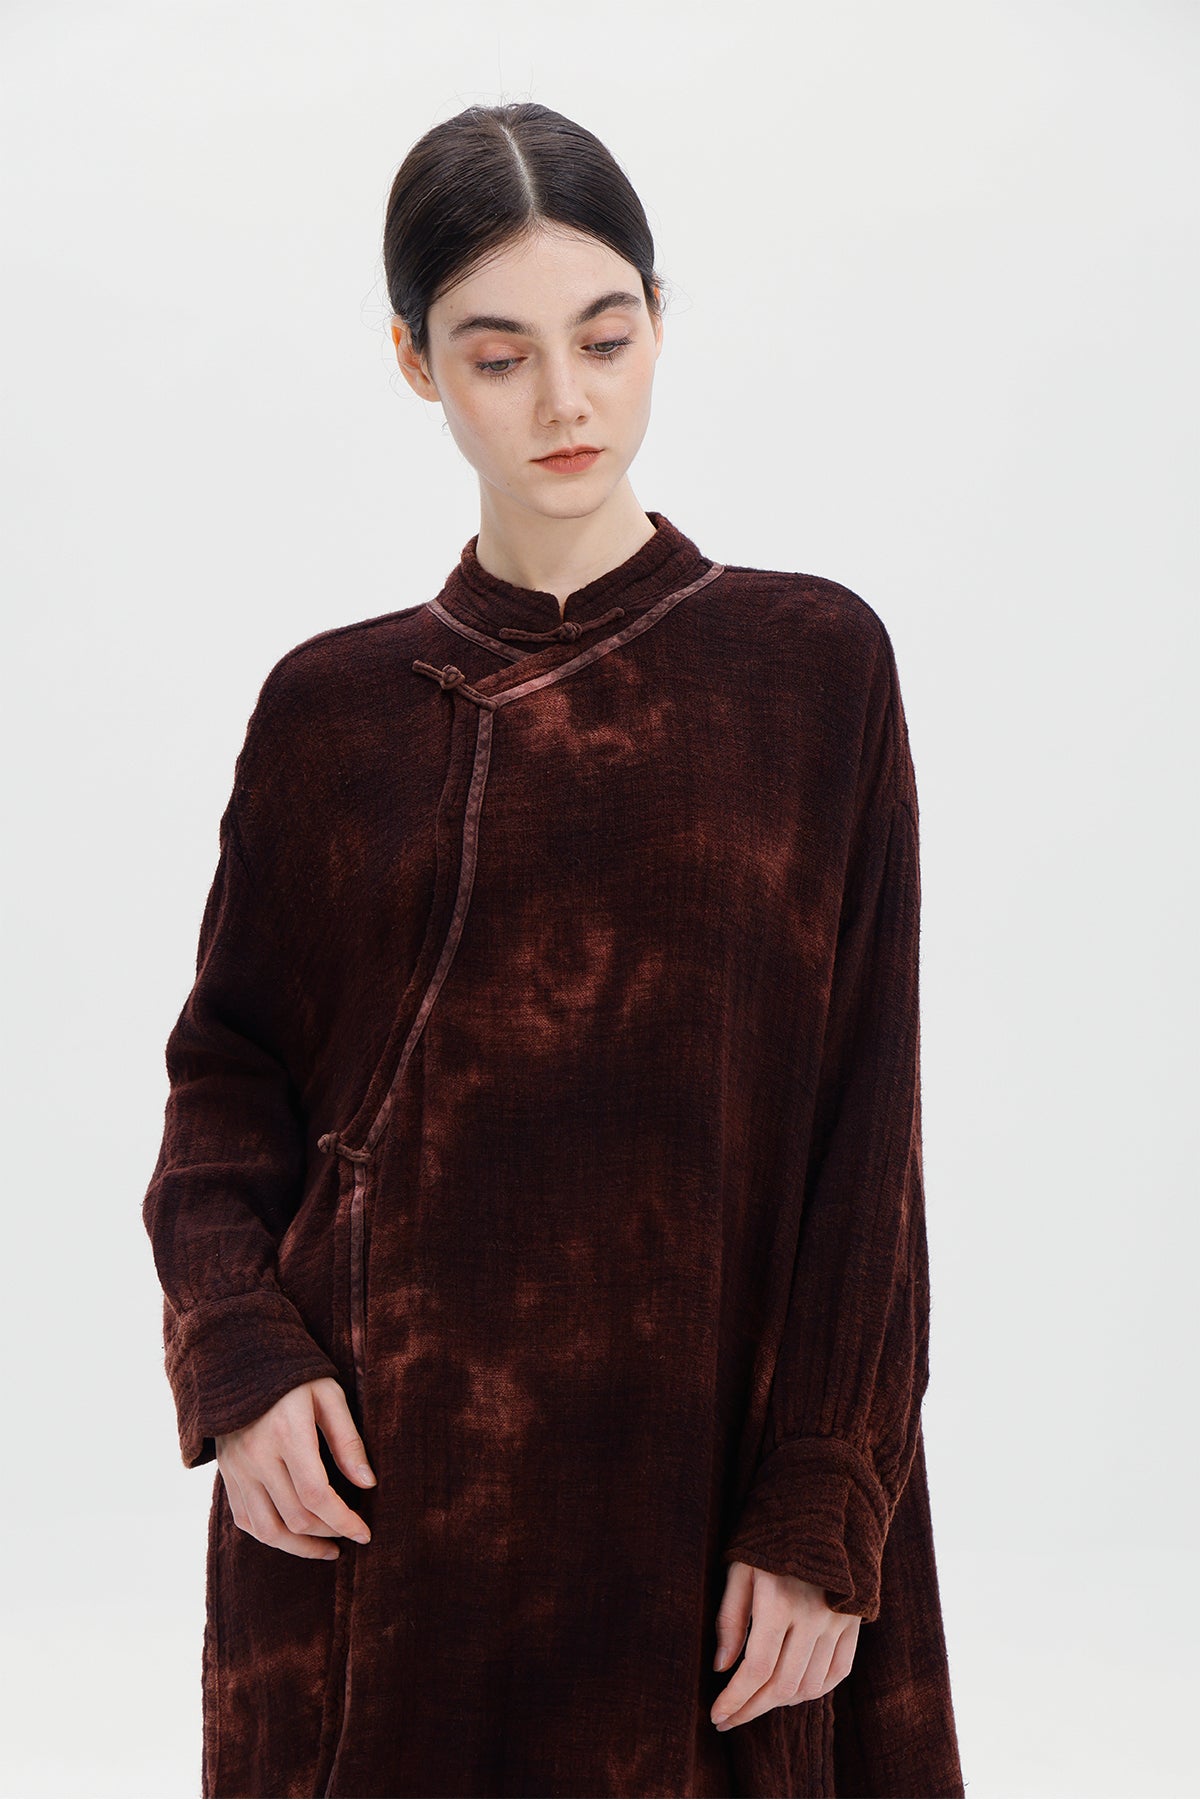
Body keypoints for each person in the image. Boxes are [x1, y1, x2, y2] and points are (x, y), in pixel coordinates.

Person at [142, 100, 965, 1800]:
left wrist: (826, 1496)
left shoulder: (811, 668)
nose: (565, 403)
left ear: (660, 319)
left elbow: (865, 1135)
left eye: (603, 338)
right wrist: (243, 1362)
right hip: (377, 1505)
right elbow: (226, 1087)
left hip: (707, 1505)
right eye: (498, 355)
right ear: (415, 362)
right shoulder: (328, 712)